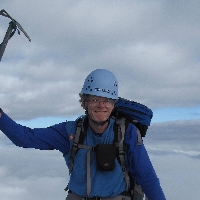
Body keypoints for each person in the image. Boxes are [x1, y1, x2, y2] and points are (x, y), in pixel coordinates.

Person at [0, 69, 166, 200]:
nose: (101, 105)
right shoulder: (70, 132)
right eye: (94, 99)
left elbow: (146, 177)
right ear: (84, 103)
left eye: (107, 100)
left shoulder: (127, 132)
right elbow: (24, 137)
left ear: (113, 105)